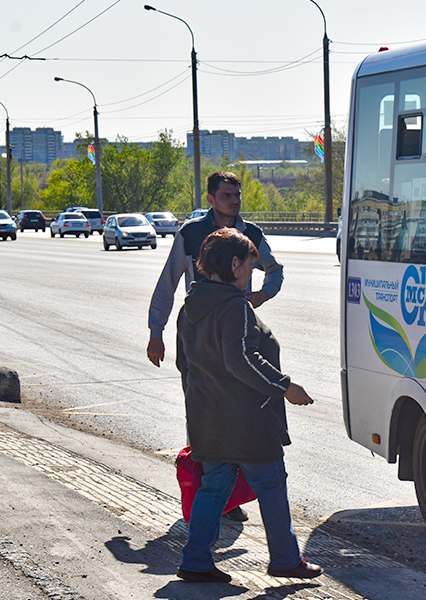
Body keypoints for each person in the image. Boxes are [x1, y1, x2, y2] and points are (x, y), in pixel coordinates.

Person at [174, 228, 321, 583]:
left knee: (215, 485)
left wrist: (198, 407)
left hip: (206, 417)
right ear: (235, 265)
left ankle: (195, 560)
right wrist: (285, 386)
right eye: (251, 269)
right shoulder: (234, 306)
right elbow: (241, 359)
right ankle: (285, 559)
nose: (251, 278)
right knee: (271, 482)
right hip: (245, 420)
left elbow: (185, 365)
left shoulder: (191, 305)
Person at [147, 171, 283, 521]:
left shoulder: (250, 234)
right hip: (197, 327)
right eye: (226, 195)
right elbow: (169, 282)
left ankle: (229, 496)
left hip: (237, 324)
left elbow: (275, 270)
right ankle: (214, 490)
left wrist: (263, 294)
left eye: (237, 194)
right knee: (203, 411)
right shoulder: (191, 233)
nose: (234, 200)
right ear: (211, 199)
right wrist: (156, 331)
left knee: (241, 410)